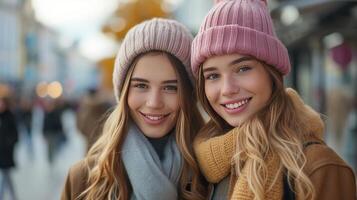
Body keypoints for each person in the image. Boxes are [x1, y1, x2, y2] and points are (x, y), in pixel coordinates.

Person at [190, 0, 356, 199]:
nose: (227, 89)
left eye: (243, 69)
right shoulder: (200, 167)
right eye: (213, 76)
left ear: (272, 74)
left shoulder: (317, 167)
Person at [61, 18, 208, 200]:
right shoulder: (82, 179)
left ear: (189, 96)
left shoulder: (211, 175)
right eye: (141, 86)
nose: (154, 102)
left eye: (170, 87)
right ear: (124, 93)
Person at [76, 88, 112, 152]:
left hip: (90, 145)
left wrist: (88, 136)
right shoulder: (105, 106)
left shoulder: (85, 109)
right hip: (106, 144)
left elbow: (80, 127)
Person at [0, 97, 19, 200]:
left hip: (7, 151)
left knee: (5, 173)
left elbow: (15, 135)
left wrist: (8, 143)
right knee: (6, 175)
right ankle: (13, 196)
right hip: (0, 151)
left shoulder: (10, 116)